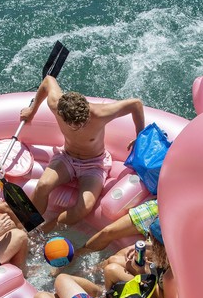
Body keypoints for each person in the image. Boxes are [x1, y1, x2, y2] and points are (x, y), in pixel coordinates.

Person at [20, 76, 145, 231]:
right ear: (63, 117)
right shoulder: (55, 105)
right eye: (76, 125)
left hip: (94, 164)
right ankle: (29, 227)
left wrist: (140, 135)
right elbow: (48, 80)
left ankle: (46, 229)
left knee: (84, 207)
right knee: (42, 186)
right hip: (66, 157)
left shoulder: (101, 113)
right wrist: (32, 110)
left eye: (84, 122)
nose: (82, 126)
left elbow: (136, 104)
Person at [101, 217, 179, 298]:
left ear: (161, 249)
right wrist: (144, 246)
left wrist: (143, 274)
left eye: (151, 239)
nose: (149, 241)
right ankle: (107, 290)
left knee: (111, 270)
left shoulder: (170, 277)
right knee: (113, 259)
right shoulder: (175, 253)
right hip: (158, 277)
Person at [77, 199, 159, 255]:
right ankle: (75, 258)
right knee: (107, 232)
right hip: (158, 208)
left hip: (168, 226)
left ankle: (87, 273)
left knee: (122, 256)